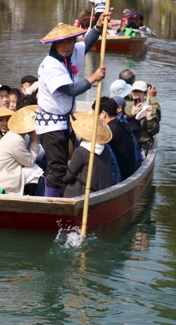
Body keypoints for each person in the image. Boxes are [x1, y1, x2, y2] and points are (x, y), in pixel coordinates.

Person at [35, 13, 109, 197]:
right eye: (63, 43)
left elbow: (87, 44)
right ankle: (49, 204)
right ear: (54, 44)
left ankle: (57, 197)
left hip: (64, 120)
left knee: (62, 162)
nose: (68, 46)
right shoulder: (51, 65)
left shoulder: (71, 52)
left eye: (71, 41)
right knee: (57, 166)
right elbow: (71, 89)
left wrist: (98, 26)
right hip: (50, 124)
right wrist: (93, 77)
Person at [0, 105, 44, 196]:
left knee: (33, 169)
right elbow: (29, 162)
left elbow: (26, 156)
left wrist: (32, 139)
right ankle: (34, 198)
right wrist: (34, 140)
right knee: (35, 170)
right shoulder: (15, 138)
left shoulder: (14, 135)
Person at [63, 111, 116, 198]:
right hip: (101, 191)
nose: (75, 132)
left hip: (81, 194)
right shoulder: (105, 148)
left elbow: (67, 177)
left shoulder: (81, 151)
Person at [100, 98, 139, 181]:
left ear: (103, 113)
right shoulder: (121, 123)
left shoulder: (109, 130)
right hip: (129, 171)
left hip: (120, 176)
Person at [130, 80, 161, 144]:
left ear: (145, 93)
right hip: (129, 141)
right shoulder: (128, 107)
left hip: (143, 143)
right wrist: (132, 115)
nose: (137, 94)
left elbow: (154, 131)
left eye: (140, 92)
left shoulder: (150, 108)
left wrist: (149, 118)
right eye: (135, 91)